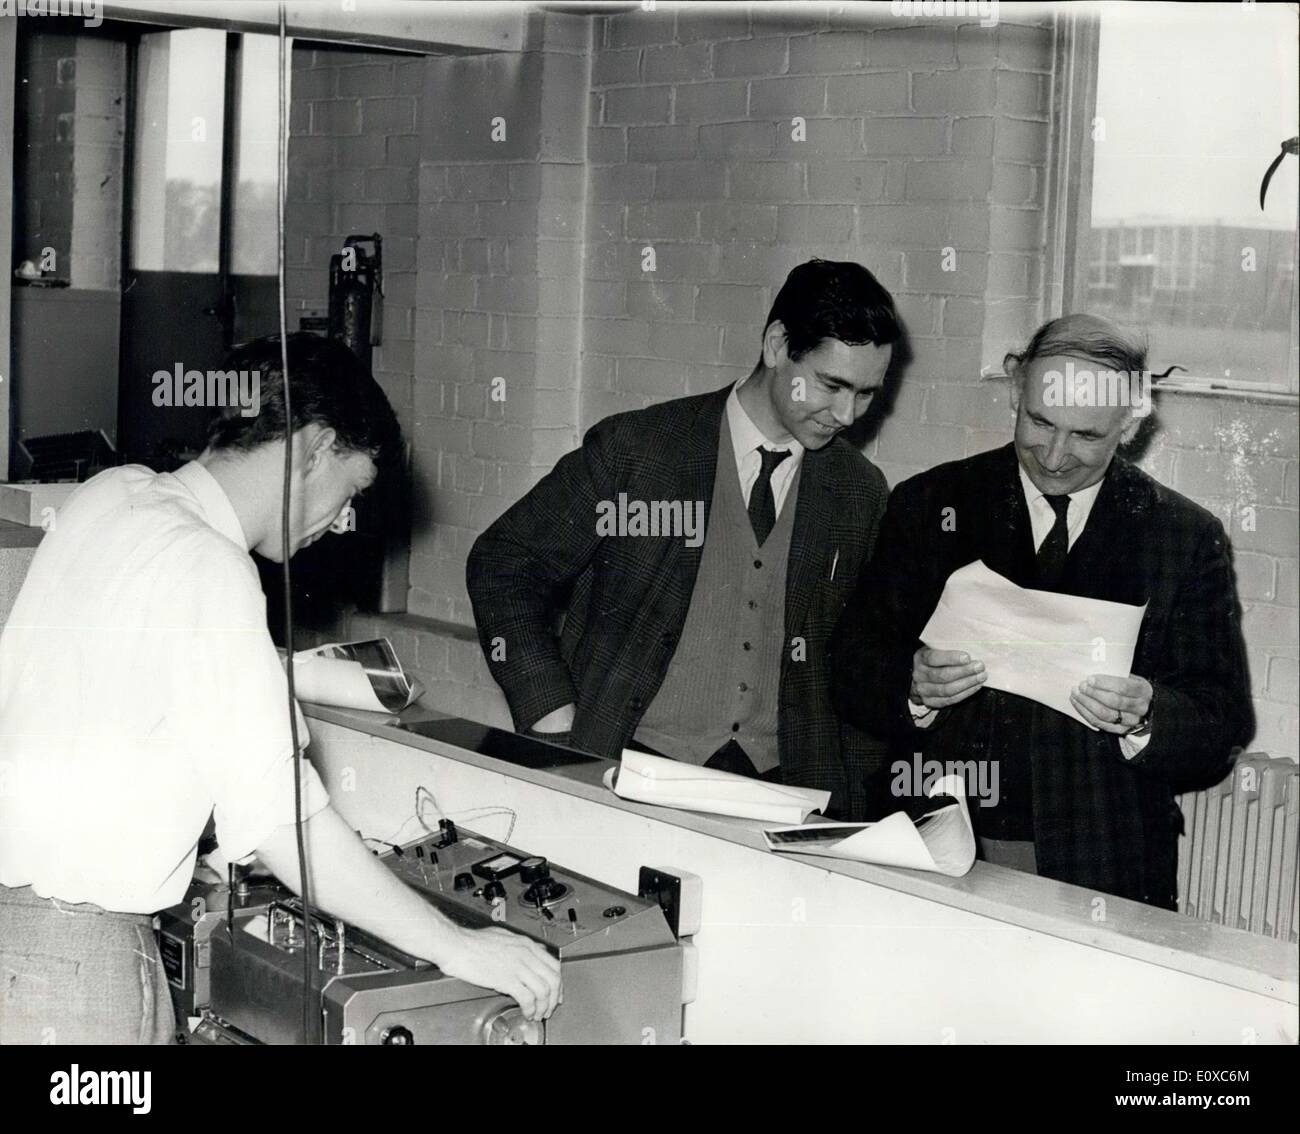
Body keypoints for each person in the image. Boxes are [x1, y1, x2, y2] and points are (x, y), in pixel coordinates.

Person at [0, 334, 560, 1044]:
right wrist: (461, 946)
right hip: (82, 973)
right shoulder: (209, 564)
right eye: (351, 490)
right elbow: (283, 826)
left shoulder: (110, 496)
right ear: (316, 446)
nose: (337, 522)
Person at [830, 314, 1253, 908]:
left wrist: (1148, 713)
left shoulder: (1183, 538)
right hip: (933, 844)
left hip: (1102, 863)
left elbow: (1221, 722)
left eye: (1085, 436)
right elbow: (849, 665)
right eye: (1040, 422)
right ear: (1014, 388)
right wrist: (914, 685)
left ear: (1131, 423)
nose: (1054, 457)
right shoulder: (930, 504)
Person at [467, 260, 900, 818]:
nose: (847, 414)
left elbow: (858, 659)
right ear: (776, 345)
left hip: (787, 794)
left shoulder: (858, 491)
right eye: (831, 384)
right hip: (626, 772)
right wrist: (551, 714)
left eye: (867, 394)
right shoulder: (640, 453)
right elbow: (505, 562)